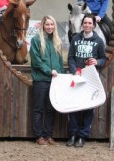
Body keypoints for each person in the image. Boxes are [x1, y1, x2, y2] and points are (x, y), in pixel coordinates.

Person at [66, 13, 107, 148]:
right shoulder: (75, 38)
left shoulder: (99, 41)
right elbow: (70, 57)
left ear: (94, 25)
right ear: (82, 24)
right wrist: (74, 70)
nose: (87, 25)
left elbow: (103, 59)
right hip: (77, 76)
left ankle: (82, 136)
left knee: (88, 107)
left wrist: (97, 61)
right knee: (74, 106)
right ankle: (72, 134)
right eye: (85, 23)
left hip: (90, 78)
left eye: (90, 23)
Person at [29, 15, 64, 146]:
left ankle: (48, 135)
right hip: (41, 80)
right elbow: (36, 60)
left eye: (52, 24)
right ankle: (39, 136)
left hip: (54, 81)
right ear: (42, 25)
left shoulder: (57, 41)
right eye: (47, 24)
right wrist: (49, 71)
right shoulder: (36, 40)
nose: (50, 27)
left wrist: (60, 74)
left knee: (51, 109)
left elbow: (60, 61)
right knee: (39, 109)